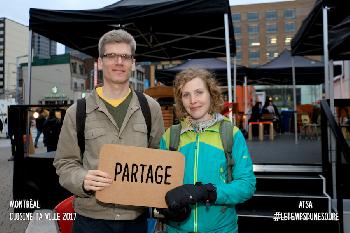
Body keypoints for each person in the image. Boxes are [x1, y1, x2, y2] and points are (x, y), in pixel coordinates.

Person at [53, 29, 164, 233]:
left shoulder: (150, 108)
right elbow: (64, 163)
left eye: (125, 56)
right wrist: (82, 179)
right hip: (90, 220)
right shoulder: (77, 112)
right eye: (111, 56)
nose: (119, 62)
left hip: (136, 220)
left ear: (133, 62)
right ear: (100, 62)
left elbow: (159, 158)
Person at [159, 68, 256, 233]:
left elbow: (246, 185)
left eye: (199, 92)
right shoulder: (170, 136)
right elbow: (158, 184)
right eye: (186, 95)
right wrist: (164, 207)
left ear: (211, 94)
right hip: (177, 229)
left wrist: (208, 192)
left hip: (221, 229)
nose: (193, 100)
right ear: (180, 100)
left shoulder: (230, 134)